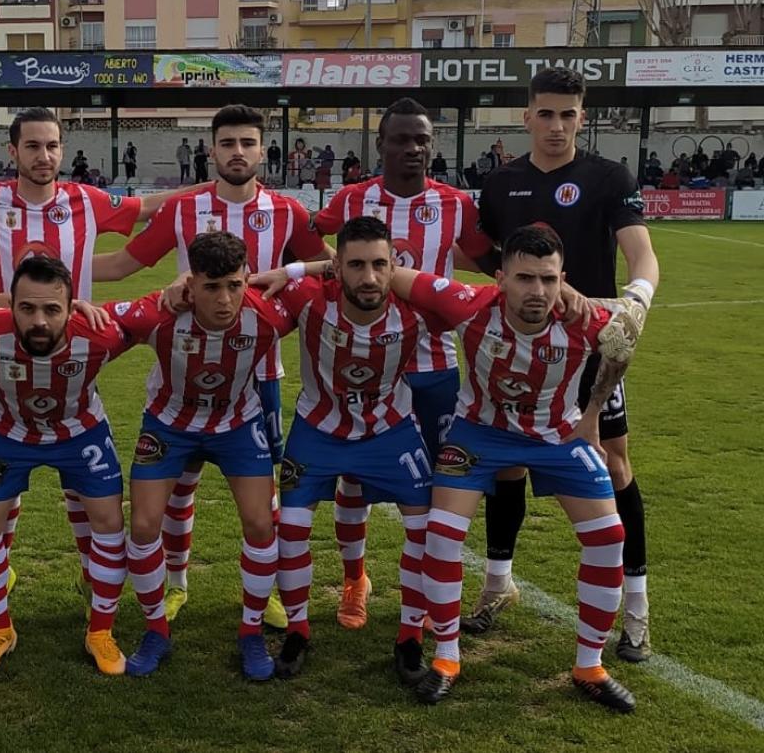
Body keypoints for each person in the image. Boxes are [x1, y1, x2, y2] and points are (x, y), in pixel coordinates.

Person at [0, 106, 174, 605]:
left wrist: (209, 192)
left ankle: (90, 573)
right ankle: (1, 570)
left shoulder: (85, 200)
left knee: (80, 479)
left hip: (72, 350)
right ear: (12, 151)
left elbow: (143, 209)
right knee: (6, 470)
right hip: (3, 352)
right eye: (32, 146)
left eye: (52, 146)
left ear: (63, 150)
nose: (44, 155)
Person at [383, 223, 649, 713]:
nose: (538, 291)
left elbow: (623, 343)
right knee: (441, 534)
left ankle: (589, 667)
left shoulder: (585, 318)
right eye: (525, 278)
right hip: (479, 433)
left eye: (548, 279)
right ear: (501, 279)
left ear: (563, 280)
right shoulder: (468, 304)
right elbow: (388, 273)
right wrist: (309, 268)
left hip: (556, 435)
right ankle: (446, 658)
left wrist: (592, 415)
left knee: (610, 536)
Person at [93, 104, 334, 630]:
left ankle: (268, 590)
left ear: (262, 150)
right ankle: (177, 583)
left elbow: (331, 267)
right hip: (183, 365)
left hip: (259, 373)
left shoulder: (288, 212)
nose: (238, 152)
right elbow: (124, 264)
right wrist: (47, 273)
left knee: (263, 493)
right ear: (212, 150)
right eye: (228, 143)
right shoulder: (183, 209)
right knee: (179, 487)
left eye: (248, 143)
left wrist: (290, 270)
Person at [471, 68, 660, 663]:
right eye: (547, 113)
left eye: (569, 114)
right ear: (526, 116)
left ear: (583, 117)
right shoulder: (501, 183)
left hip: (589, 351)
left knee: (614, 463)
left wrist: (633, 303)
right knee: (506, 466)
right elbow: (481, 254)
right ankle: (498, 586)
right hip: (521, 348)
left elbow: (643, 255)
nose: (557, 126)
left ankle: (636, 611)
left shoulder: (608, 177)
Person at [310, 97, 494, 630]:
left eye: (422, 140)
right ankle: (355, 580)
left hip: (434, 365)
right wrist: (328, 271)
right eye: (401, 139)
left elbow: (492, 263)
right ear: (381, 145)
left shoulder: (456, 205)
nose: (413, 148)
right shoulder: (352, 199)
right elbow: (307, 235)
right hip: (366, 363)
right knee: (353, 479)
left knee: (436, 483)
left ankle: (427, 591)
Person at [248, 216, 443, 685]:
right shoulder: (309, 299)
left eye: (379, 265)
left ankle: (410, 637)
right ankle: (298, 630)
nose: (369, 277)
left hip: (390, 431)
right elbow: (236, 301)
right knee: (291, 529)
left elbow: (494, 304)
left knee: (426, 529)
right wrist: (183, 287)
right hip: (318, 430)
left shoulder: (418, 306)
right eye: (356, 265)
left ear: (394, 266)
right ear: (336, 268)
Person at [111, 231, 294, 681]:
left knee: (261, 522)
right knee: (143, 524)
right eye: (211, 287)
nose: (225, 299)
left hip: (237, 424)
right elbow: (91, 321)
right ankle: (156, 630)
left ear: (247, 278)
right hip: (169, 425)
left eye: (234, 285)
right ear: (190, 284)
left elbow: (342, 279)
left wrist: (300, 268)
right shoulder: (160, 313)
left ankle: (251, 631)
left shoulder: (268, 314)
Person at [0, 256, 132, 677]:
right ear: (10, 306)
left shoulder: (100, 334)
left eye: (52, 309)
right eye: (27, 308)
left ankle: (101, 632)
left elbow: (153, 315)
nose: (40, 321)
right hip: (7, 433)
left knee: (108, 521)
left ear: (72, 308)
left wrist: (179, 288)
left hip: (80, 432)